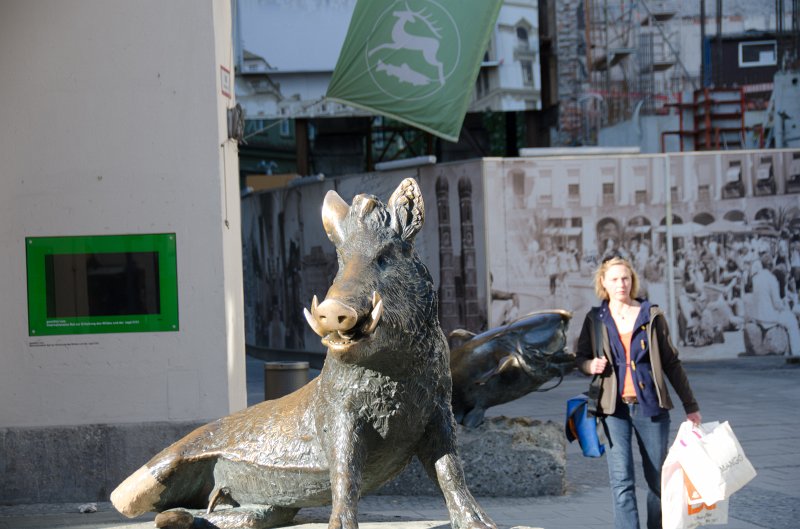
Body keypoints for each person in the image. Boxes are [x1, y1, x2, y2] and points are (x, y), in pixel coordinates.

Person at [575, 254, 702, 529]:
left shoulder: (651, 315)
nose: (621, 283)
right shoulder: (596, 319)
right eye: (615, 279)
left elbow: (671, 362)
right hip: (613, 410)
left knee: (658, 480)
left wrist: (690, 406)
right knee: (621, 481)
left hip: (651, 407)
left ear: (632, 281)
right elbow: (580, 357)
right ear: (603, 283)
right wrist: (589, 365)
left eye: (626, 278)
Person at [750, 252, 800, 355]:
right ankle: (796, 353)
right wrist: (785, 308)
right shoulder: (771, 279)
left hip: (757, 316)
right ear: (770, 265)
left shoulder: (755, 278)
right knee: (792, 321)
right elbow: (777, 303)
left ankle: (788, 352)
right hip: (769, 318)